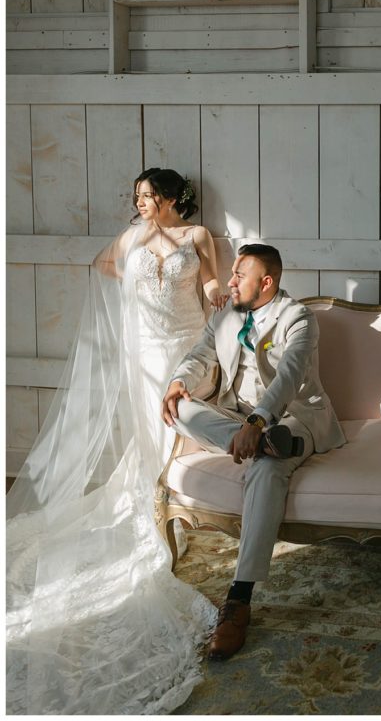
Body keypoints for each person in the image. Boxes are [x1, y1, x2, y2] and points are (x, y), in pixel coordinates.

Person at [7, 168, 228, 713]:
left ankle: (174, 497)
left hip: (187, 345)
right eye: (136, 198)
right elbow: (102, 266)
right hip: (145, 348)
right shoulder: (128, 240)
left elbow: (210, 289)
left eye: (149, 197)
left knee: (176, 419)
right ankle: (161, 502)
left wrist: (217, 293)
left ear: (173, 198)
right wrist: (134, 310)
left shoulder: (198, 237)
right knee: (149, 431)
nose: (142, 205)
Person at [162, 243, 346, 660]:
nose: (228, 282)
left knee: (266, 467)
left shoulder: (298, 318)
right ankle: (262, 444)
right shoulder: (225, 315)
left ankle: (239, 601)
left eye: (238, 275)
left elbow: (289, 375)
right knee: (181, 409)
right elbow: (199, 355)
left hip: (294, 419)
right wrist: (178, 380)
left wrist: (259, 421)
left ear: (267, 282)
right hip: (239, 418)